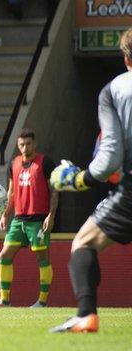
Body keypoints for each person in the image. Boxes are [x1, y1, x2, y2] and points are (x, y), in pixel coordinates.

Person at [49, 28, 132, 333]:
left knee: (84, 243)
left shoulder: (114, 90)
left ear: (125, 58)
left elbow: (110, 155)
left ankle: (86, 315)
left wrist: (81, 178)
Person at [0, 128, 58, 309]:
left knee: (42, 257)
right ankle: (4, 300)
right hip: (18, 219)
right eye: (22, 144)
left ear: (34, 144)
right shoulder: (14, 164)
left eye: (28, 144)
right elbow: (11, 191)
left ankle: (42, 302)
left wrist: (51, 215)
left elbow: (54, 191)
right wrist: (5, 213)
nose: (25, 147)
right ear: (18, 145)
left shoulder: (46, 163)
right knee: (4, 255)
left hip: (38, 219)